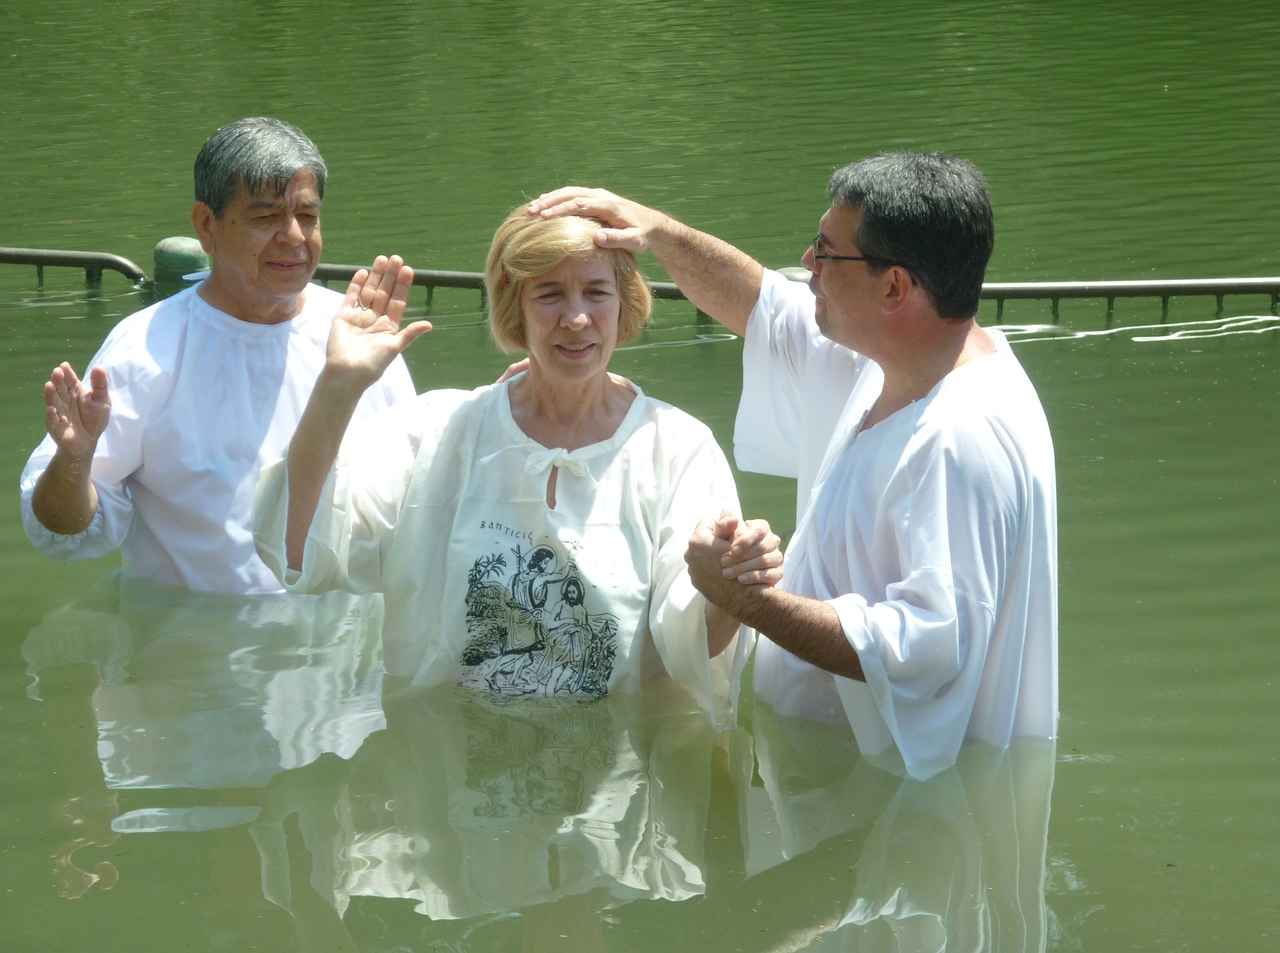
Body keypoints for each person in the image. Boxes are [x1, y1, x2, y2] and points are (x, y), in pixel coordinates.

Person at [528, 152, 1058, 778]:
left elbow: (929, 647)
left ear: (894, 288)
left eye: (826, 253)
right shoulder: (884, 358)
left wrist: (745, 600)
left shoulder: (963, 436)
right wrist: (655, 230)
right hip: (830, 780)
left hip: (912, 807)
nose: (807, 264)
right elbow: (759, 304)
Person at [252, 209, 782, 725]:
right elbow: (295, 553)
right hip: (445, 767)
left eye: (596, 292)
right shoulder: (437, 431)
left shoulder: (677, 448)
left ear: (624, 304)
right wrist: (338, 385)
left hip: (610, 780)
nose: (576, 318)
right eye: (549, 294)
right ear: (514, 306)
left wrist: (733, 589)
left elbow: (691, 646)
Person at [18, 117, 416, 594]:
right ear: (207, 226)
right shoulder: (147, 349)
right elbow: (64, 532)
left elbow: (416, 497)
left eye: (307, 217)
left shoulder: (359, 336)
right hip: (194, 644)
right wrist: (75, 460)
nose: (293, 236)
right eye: (266, 217)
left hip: (343, 647)